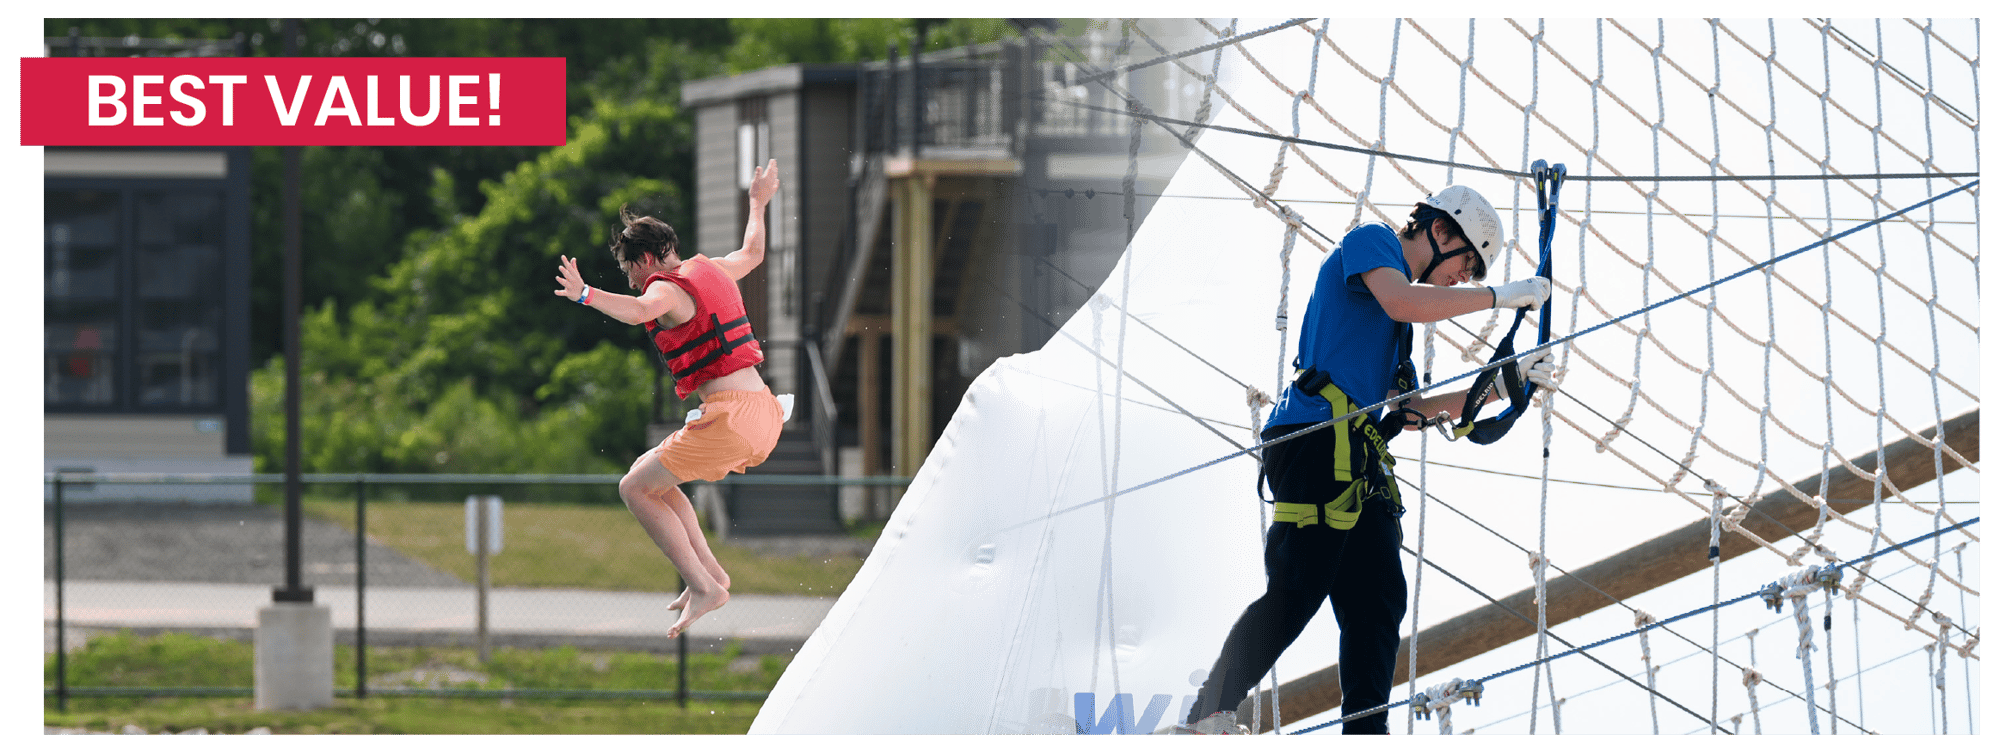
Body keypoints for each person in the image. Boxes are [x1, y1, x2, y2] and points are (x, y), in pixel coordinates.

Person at [1174, 186, 1560, 735]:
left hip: (1359, 459)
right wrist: (1501, 297)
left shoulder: (1397, 336)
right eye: (1466, 265)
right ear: (1441, 231)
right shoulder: (1372, 244)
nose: (1463, 279)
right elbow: (1405, 300)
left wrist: (1501, 387)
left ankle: (1365, 734)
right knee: (1302, 582)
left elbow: (1408, 412)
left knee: (1378, 602)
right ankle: (1208, 712)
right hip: (1313, 437)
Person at [552, 159, 784, 639]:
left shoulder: (664, 289)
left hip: (730, 420)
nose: (630, 278)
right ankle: (712, 576)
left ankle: (704, 585)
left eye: (628, 268)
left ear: (648, 258)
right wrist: (757, 203)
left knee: (633, 488)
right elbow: (753, 252)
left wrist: (585, 295)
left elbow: (640, 311)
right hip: (764, 411)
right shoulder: (712, 269)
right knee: (650, 472)